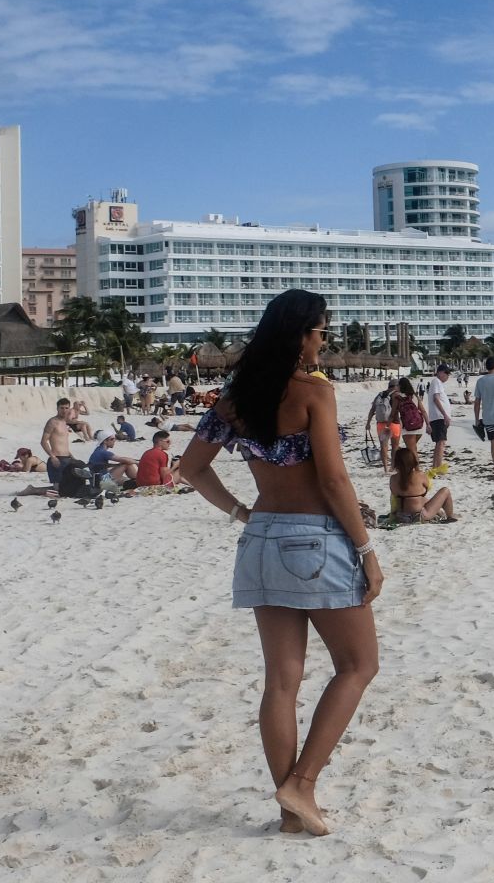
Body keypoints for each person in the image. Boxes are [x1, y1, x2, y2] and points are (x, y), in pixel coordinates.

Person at [176, 289, 382, 838]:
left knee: (281, 683)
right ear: (302, 335)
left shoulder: (234, 396)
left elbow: (191, 468)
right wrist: (366, 550)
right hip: (315, 539)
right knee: (359, 666)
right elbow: (334, 480)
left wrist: (244, 511)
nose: (324, 342)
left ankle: (291, 812)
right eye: (322, 333)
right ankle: (303, 783)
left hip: (262, 538)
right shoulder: (314, 392)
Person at [388, 441, 455, 524]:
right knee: (445, 491)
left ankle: (442, 513)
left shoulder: (393, 479)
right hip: (419, 516)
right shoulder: (420, 475)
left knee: (416, 499)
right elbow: (427, 489)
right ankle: (450, 516)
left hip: (401, 516)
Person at [423, 364, 454, 472]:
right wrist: (445, 414)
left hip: (437, 417)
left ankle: (435, 467)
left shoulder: (437, 383)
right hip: (439, 417)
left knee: (439, 442)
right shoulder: (436, 382)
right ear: (441, 372)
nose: (447, 377)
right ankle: (438, 467)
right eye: (447, 374)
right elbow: (436, 399)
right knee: (441, 442)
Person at [41, 399, 78, 484]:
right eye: (62, 408)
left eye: (66, 408)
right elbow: (43, 441)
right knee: (58, 490)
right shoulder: (52, 422)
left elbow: (63, 443)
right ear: (57, 408)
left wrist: (72, 457)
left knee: (69, 488)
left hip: (67, 458)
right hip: (57, 458)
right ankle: (33, 490)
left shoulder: (65, 423)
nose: (64, 410)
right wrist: (53, 457)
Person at [364, 381, 395, 474]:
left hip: (381, 424)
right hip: (393, 423)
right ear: (395, 387)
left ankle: (385, 468)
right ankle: (392, 467)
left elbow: (372, 410)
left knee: (383, 446)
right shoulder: (395, 395)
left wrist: (368, 423)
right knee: (394, 446)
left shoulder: (380, 395)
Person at [392, 378, 425, 466]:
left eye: (398, 385)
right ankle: (413, 468)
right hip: (419, 426)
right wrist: (428, 424)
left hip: (407, 427)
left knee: (412, 449)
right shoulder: (414, 396)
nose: (397, 387)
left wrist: (388, 425)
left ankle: (417, 470)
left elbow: (393, 413)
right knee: (413, 448)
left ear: (401, 386)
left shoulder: (398, 398)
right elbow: (423, 411)